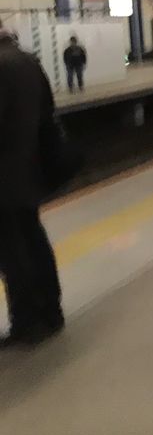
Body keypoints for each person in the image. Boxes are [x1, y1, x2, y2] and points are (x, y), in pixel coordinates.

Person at [0, 27, 65, 347]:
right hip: (28, 169)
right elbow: (48, 113)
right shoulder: (27, 60)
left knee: (13, 253)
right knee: (33, 240)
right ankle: (51, 311)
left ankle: (26, 322)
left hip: (4, 178)